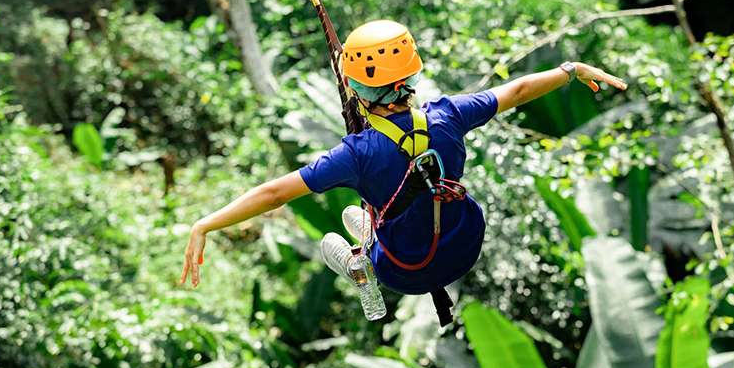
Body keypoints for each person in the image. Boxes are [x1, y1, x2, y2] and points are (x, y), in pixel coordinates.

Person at [179, 20, 627, 305]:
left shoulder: (356, 154)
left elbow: (274, 192)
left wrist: (205, 224)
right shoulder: (449, 115)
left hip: (405, 271)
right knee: (377, 208)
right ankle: (371, 235)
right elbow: (519, 90)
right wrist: (571, 69)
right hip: (463, 244)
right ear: (412, 76)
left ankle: (361, 265)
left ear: (355, 90)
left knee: (346, 221)